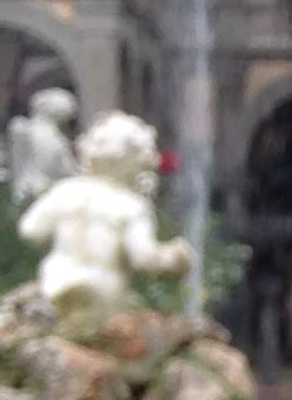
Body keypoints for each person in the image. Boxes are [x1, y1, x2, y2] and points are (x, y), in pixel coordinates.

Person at [17, 113, 194, 318]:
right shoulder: (131, 206)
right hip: (105, 292)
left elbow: (30, 230)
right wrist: (175, 257)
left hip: (55, 283)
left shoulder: (66, 191)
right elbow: (144, 258)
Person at [6, 87, 79, 205]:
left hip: (43, 192)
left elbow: (66, 169)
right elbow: (68, 170)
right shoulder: (28, 130)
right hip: (38, 193)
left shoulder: (58, 139)